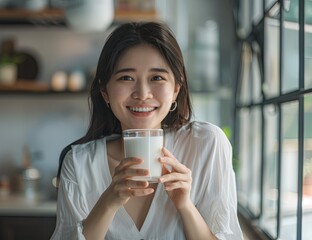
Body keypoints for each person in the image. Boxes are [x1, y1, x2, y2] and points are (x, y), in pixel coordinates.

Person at [51, 21, 243, 240]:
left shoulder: (206, 144)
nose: (142, 93)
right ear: (105, 92)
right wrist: (109, 201)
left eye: (157, 78)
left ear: (175, 90)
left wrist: (186, 206)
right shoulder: (78, 163)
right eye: (126, 78)